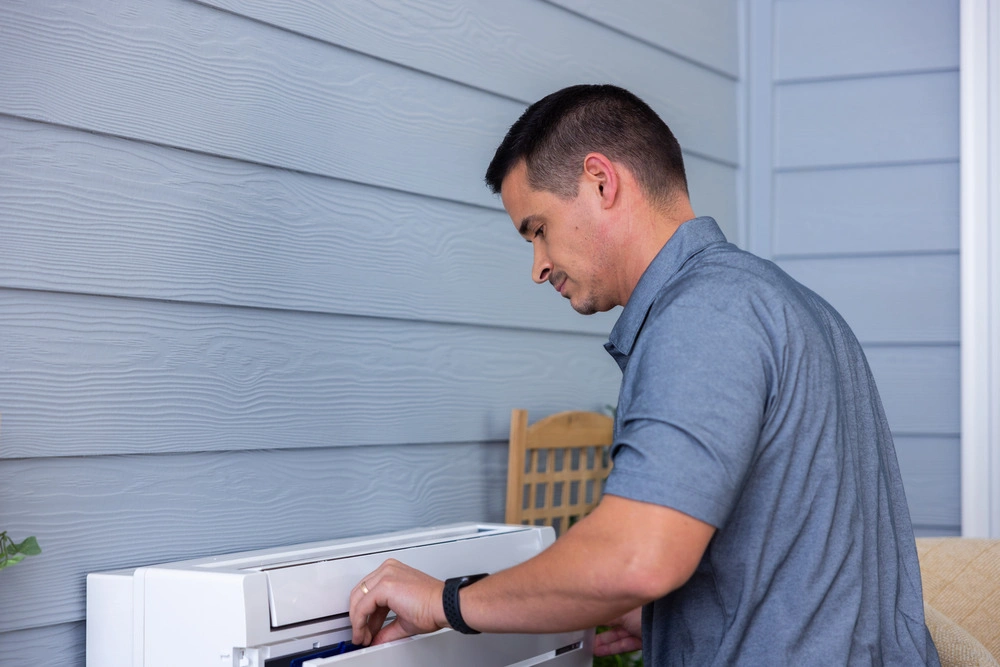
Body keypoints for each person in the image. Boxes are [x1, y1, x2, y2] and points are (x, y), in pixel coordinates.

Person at [348, 84, 940, 665]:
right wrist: (678, 615)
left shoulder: (703, 315)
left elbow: (636, 557)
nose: (539, 266)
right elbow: (803, 552)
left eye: (538, 230)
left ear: (601, 181)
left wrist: (443, 602)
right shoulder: (793, 304)